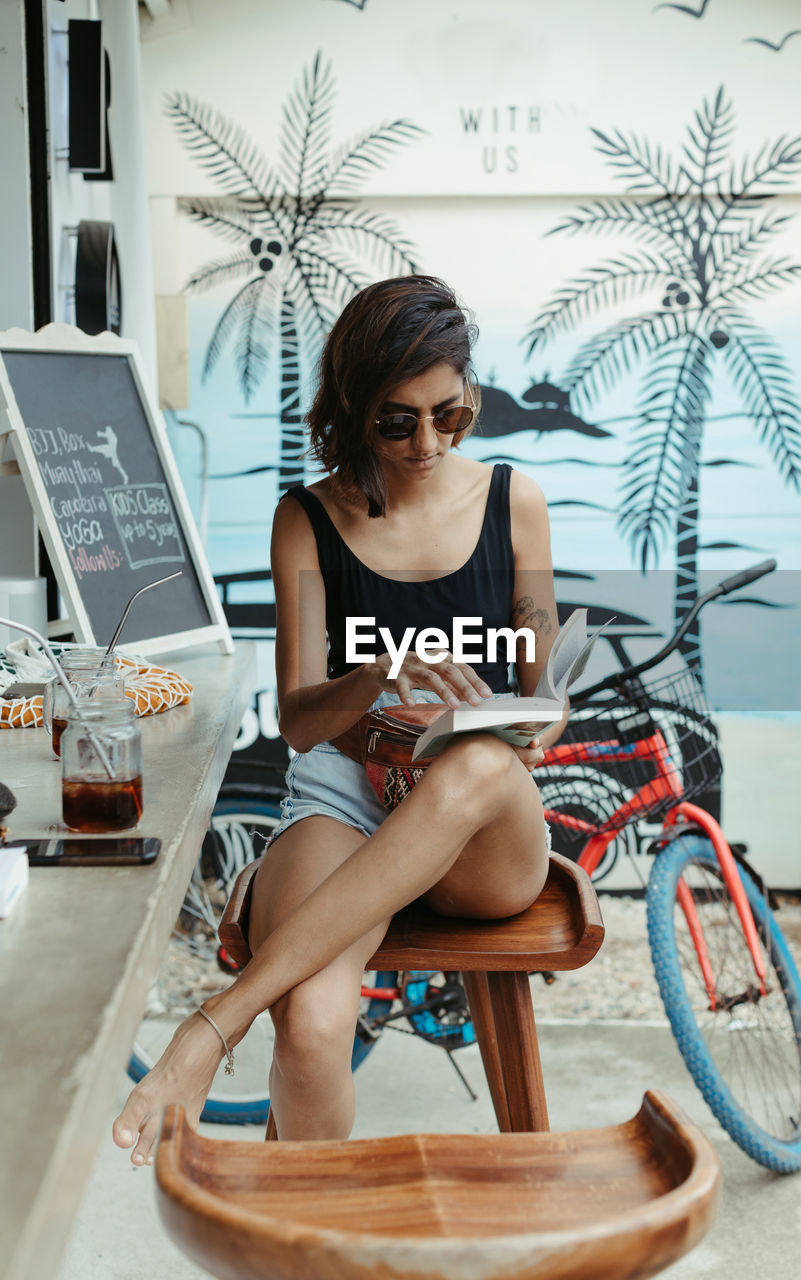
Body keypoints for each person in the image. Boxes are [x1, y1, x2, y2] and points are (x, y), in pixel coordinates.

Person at [113, 274, 569, 1165]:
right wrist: (375, 677)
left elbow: (541, 690)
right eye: (398, 421)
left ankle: (209, 1030)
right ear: (353, 409)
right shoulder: (307, 520)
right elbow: (297, 723)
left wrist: (533, 718)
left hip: (479, 822)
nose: (428, 442)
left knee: (474, 767)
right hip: (347, 794)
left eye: (451, 415)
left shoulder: (514, 501)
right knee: (316, 1024)